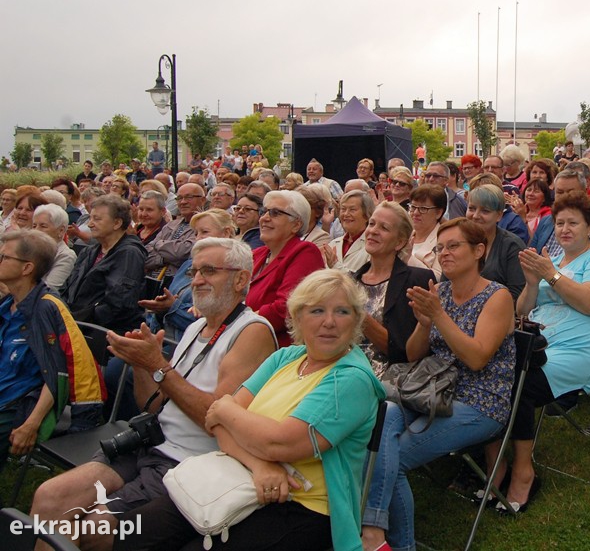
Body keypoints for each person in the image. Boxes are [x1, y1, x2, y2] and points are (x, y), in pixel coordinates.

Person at [31, 238, 278, 550]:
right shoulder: (196, 327)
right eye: (195, 272)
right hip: (149, 445)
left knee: (94, 529)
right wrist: (140, 365)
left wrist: (157, 364)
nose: (198, 279)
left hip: (189, 462)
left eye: (209, 271)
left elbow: (216, 419)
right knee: (51, 497)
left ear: (241, 278)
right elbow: (154, 403)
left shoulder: (252, 331)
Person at [115, 270, 384, 551]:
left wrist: (227, 412)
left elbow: (279, 442)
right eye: (317, 310)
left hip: (300, 505)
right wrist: (260, 465)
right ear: (299, 317)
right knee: (132, 535)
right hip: (239, 478)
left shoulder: (352, 379)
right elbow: (215, 423)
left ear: (355, 320)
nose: (329, 322)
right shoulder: (286, 357)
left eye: (342, 311)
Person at [361, 218, 515, 550]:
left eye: (453, 246)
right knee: (382, 420)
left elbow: (477, 359)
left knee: (393, 458)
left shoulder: (497, 296)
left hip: (479, 401)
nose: (444, 253)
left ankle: (397, 544)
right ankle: (374, 529)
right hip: (430, 390)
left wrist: (440, 317)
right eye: (440, 247)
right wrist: (424, 323)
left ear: (478, 251)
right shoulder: (440, 291)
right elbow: (414, 354)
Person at [493, 191, 590, 512]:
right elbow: (523, 311)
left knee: (515, 383)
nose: (564, 229)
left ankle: (523, 471)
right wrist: (533, 283)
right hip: (538, 344)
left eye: (572, 223)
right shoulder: (554, 258)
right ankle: (495, 466)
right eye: (559, 223)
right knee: (488, 371)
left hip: (581, 351)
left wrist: (550, 274)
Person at [0, 230, 104, 474]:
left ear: (26, 268)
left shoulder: (46, 309)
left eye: (4, 257)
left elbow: (57, 376)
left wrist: (31, 425)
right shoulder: (8, 304)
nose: (0, 260)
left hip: (18, 404)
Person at [349, 202, 434, 379]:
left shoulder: (416, 281)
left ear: (400, 242)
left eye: (384, 228)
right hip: (341, 370)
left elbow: (404, 352)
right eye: (371, 224)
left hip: (388, 381)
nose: (373, 231)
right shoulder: (349, 282)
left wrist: (359, 315)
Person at [140, 209, 239, 346]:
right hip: (162, 337)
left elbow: (209, 321)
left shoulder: (231, 271)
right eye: (196, 233)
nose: (198, 238)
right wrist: (161, 309)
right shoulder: (188, 265)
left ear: (226, 233)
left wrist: (171, 307)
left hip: (191, 347)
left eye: (204, 232)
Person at [248, 190, 326, 347]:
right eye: (264, 212)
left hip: (276, 349)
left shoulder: (304, 252)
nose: (264, 218)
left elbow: (287, 308)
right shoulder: (257, 254)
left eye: (275, 213)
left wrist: (239, 324)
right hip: (245, 342)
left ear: (296, 224)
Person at [61, 195, 147, 333]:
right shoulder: (90, 251)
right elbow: (68, 287)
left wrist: (78, 321)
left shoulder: (129, 253)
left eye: (97, 219)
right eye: (90, 218)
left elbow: (118, 303)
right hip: (76, 322)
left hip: (105, 331)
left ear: (117, 223)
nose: (90, 224)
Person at [529, 170, 590, 258]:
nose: (565, 196)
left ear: (585, 192)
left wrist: (552, 273)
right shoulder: (546, 221)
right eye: (560, 192)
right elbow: (530, 257)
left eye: (571, 192)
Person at [467, 184, 527, 301]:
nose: (475, 216)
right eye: (471, 208)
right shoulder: (457, 239)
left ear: (499, 215)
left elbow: (516, 295)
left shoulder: (512, 246)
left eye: (485, 211)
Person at [145, 183, 205, 275]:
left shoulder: (206, 225)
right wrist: (165, 258)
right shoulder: (171, 224)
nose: (183, 202)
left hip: (178, 283)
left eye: (189, 197)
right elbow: (146, 254)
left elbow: (183, 252)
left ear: (202, 200)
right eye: (179, 198)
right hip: (152, 282)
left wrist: (158, 244)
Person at [324, 190, 373, 272]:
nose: (346, 214)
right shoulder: (333, 244)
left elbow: (363, 282)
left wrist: (335, 265)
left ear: (366, 215)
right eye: (343, 209)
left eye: (352, 210)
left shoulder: (373, 247)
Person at [32, 203, 78, 291]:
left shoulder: (65, 256)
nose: (36, 231)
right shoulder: (28, 251)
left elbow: (48, 290)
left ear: (61, 230)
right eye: (34, 226)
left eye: (43, 226)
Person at [406, 184, 446, 280]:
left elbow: (438, 277)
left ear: (438, 213)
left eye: (423, 209)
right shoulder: (404, 234)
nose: (415, 213)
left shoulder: (443, 239)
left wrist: (408, 258)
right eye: (413, 207)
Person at [297, 185, 333, 251]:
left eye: (305, 208)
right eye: (296, 207)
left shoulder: (322, 237)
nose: (299, 211)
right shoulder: (286, 233)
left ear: (317, 212)